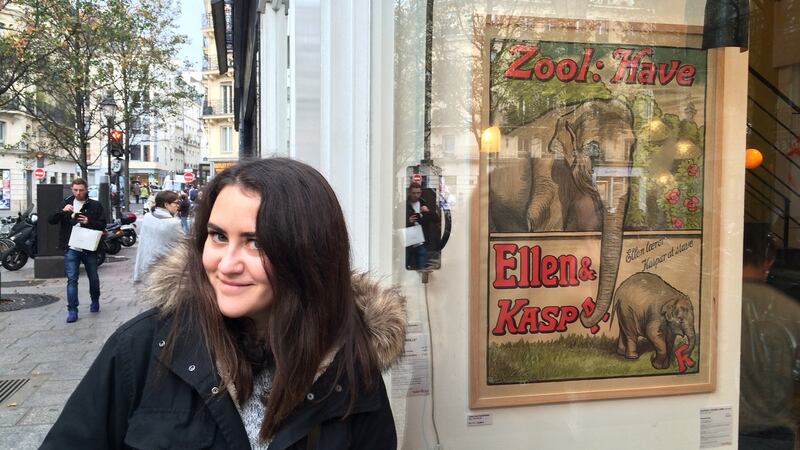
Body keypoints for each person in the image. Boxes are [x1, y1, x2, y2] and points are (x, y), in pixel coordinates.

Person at [41, 158, 406, 449]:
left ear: (308, 254)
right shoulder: (143, 348)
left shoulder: (350, 365)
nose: (227, 265)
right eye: (217, 236)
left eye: (256, 242)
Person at [739, 223, 800, 450]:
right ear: (769, 260)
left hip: (721, 426)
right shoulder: (789, 310)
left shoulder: (710, 305)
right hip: (776, 432)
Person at [47, 178, 106, 323]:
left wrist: (89, 221)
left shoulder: (95, 205)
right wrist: (62, 211)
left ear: (86, 190)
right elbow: (51, 220)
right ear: (72, 190)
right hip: (71, 247)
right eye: (75, 190)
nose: (78, 193)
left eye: (81, 190)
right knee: (72, 279)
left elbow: (103, 224)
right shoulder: (66, 203)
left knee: (93, 277)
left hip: (89, 247)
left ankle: (95, 300)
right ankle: (72, 310)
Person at [133, 190, 182, 283]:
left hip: (145, 265)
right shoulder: (173, 223)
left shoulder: (147, 217)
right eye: (176, 203)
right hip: (163, 269)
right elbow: (183, 245)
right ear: (166, 205)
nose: (178, 205)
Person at [405, 181, 441, 270]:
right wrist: (408, 221)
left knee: (421, 267)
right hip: (408, 240)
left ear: (421, 192)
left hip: (422, 240)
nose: (416, 195)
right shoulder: (404, 205)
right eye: (414, 193)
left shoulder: (425, 203)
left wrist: (427, 211)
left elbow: (436, 219)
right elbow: (396, 220)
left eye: (418, 193)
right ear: (409, 192)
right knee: (407, 266)